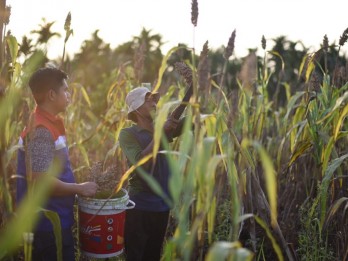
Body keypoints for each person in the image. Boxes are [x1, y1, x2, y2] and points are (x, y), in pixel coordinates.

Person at [16, 67, 98, 261]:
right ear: (52, 95)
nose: (69, 95)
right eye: (65, 90)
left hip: (55, 220)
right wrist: (80, 188)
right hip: (47, 225)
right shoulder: (41, 130)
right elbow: (41, 180)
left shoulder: (49, 123)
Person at [119, 86, 185, 261]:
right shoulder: (128, 134)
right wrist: (162, 131)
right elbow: (141, 163)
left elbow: (190, 121)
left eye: (153, 98)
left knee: (153, 255)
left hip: (161, 206)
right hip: (139, 206)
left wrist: (194, 87)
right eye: (147, 99)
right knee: (136, 256)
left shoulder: (163, 128)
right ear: (137, 109)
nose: (154, 102)